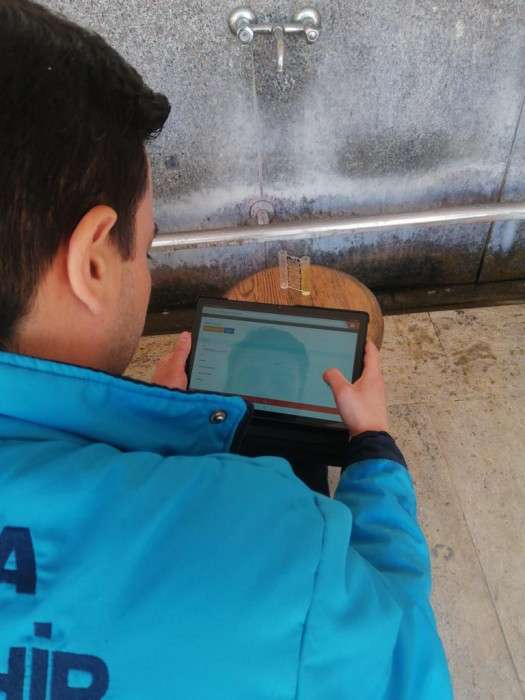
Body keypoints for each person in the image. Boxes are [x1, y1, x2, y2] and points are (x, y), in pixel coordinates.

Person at [0, 1, 452, 698]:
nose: (146, 270)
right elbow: (403, 654)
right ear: (91, 263)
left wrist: (139, 452)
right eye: (146, 249)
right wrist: (372, 452)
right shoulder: (275, 542)